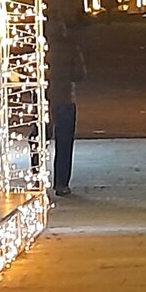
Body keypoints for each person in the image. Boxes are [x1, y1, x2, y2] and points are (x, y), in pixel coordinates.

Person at [45, 17, 85, 196]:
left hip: (44, 99)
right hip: (65, 98)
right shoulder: (71, 48)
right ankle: (61, 183)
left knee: (38, 139)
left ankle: (36, 177)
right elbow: (80, 74)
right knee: (64, 143)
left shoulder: (41, 49)